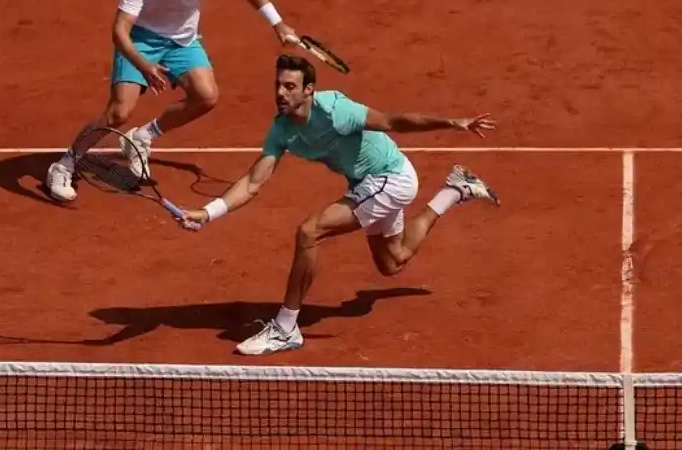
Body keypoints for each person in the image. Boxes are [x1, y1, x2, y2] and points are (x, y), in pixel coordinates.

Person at [176, 54, 501, 356]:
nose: (280, 93)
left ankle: (286, 328)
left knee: (310, 232)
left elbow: (392, 121)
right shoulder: (282, 129)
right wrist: (208, 212)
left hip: (389, 178)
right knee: (393, 262)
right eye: (278, 85)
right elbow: (252, 182)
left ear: (308, 90)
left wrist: (451, 122)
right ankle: (455, 189)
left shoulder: (335, 111)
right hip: (366, 182)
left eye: (290, 86)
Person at [46, 0, 296, 201]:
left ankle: (144, 136)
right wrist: (144, 65)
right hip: (141, 40)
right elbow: (119, 31)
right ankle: (65, 164)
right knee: (119, 112)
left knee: (206, 96)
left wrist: (277, 23)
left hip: (183, 40)